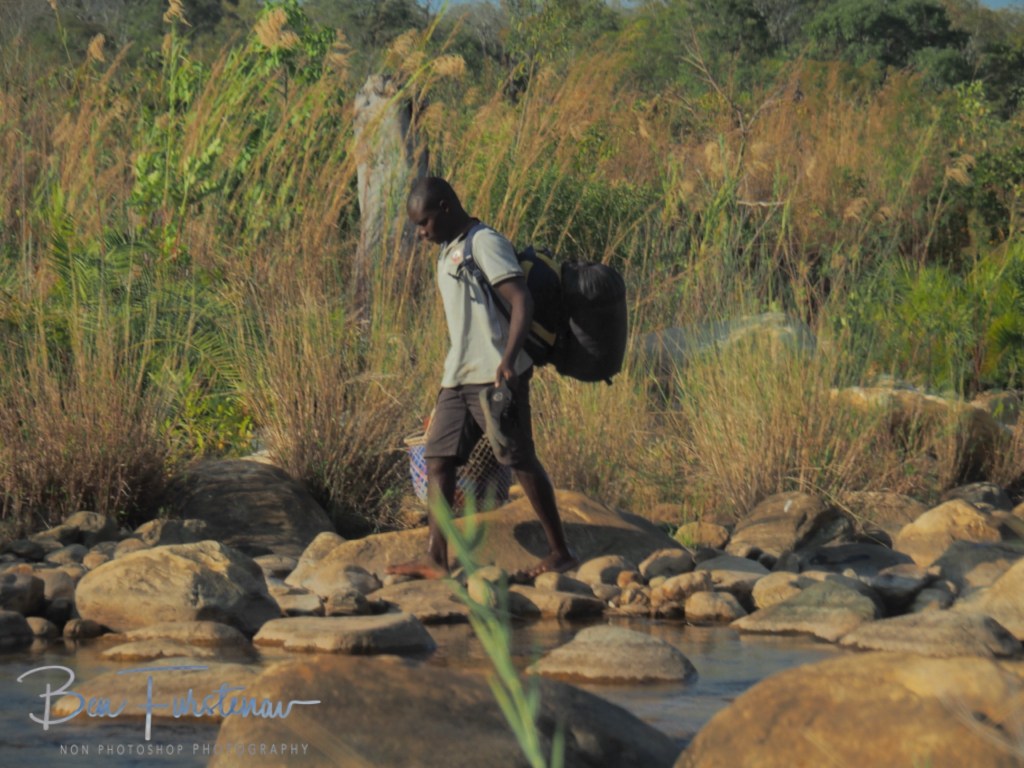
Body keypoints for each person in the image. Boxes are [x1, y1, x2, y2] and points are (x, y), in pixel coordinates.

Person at [386, 176, 577, 581]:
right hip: (458, 377)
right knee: (438, 459)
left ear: (445, 209)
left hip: (494, 375)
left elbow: (521, 299)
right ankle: (436, 557)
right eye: (416, 227)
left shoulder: (484, 243)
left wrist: (508, 360)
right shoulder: (446, 250)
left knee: (518, 458)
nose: (420, 234)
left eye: (423, 224)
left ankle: (560, 551)